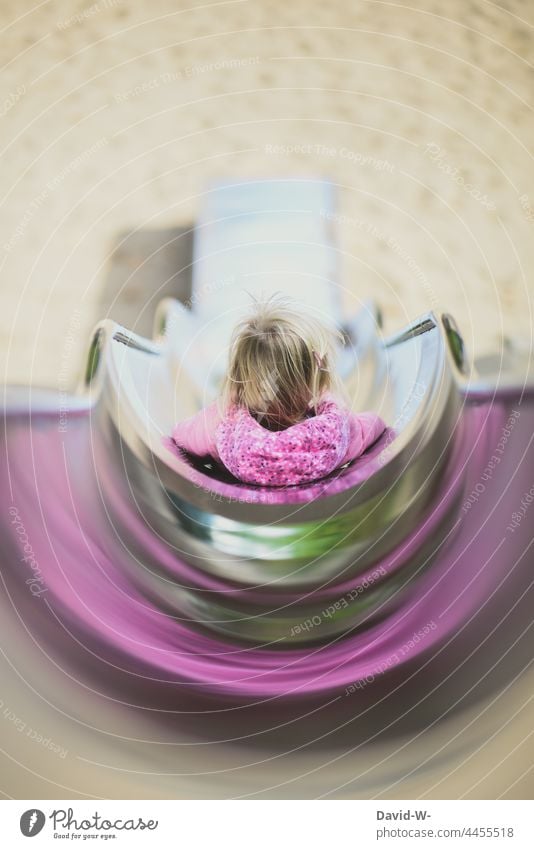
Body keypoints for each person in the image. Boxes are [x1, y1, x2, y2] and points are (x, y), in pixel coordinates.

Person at [171, 294, 386, 486]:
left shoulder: (221, 424)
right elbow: (376, 427)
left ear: (239, 378)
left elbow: (179, 438)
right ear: (316, 379)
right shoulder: (338, 430)